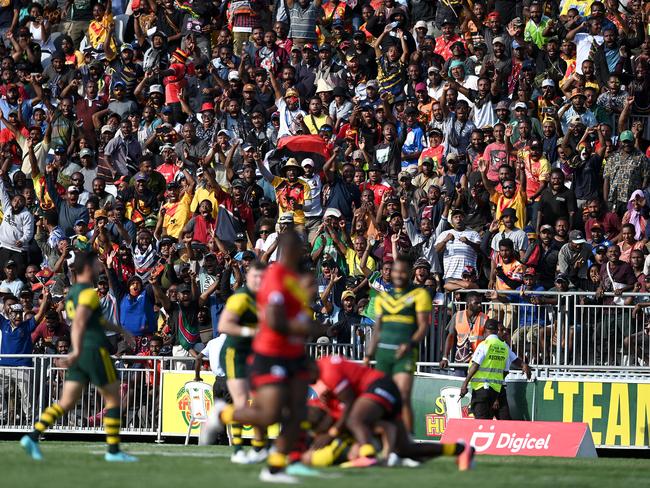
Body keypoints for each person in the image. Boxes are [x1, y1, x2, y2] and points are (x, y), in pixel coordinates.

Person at [207, 232, 321, 483]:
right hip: (258, 353)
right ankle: (226, 423)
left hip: (286, 353)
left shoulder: (294, 281)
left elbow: (299, 317)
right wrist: (309, 328)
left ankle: (275, 462)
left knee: (295, 412)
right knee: (265, 412)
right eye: (294, 249)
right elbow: (273, 322)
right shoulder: (268, 284)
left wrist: (313, 328)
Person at [20, 252, 137, 462]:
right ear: (88, 267)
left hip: (81, 351)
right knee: (113, 398)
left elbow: (92, 320)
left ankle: (32, 436)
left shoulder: (73, 292)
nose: (100, 265)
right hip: (93, 350)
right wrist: (75, 351)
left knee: (66, 402)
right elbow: (81, 322)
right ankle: (113, 451)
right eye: (96, 263)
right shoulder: (88, 293)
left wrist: (121, 330)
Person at [316, 355, 475, 470]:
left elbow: (349, 401)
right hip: (384, 391)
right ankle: (460, 449)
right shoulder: (324, 370)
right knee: (404, 449)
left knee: (355, 419)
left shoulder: (328, 372)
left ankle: (367, 456)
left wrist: (333, 432)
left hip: (379, 386)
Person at [364, 255, 431, 432]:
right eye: (396, 271)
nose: (399, 275)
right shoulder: (381, 298)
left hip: (405, 354)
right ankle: (386, 442)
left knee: (402, 396)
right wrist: (368, 355)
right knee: (380, 398)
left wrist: (409, 344)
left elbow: (423, 326)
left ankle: (408, 442)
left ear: (409, 273)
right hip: (383, 355)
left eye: (403, 271)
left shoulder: (419, 294)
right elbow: (377, 330)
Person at [216, 262, 268, 464]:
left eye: (262, 277)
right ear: (247, 277)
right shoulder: (241, 297)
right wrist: (251, 332)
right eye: (255, 276)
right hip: (233, 353)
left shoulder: (263, 299)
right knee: (241, 401)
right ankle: (237, 450)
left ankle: (258, 448)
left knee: (259, 401)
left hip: (251, 355)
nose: (259, 281)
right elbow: (223, 325)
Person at [460, 319, 530, 419]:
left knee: (482, 422)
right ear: (496, 330)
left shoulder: (485, 345)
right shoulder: (504, 346)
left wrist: (465, 384)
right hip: (496, 390)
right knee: (503, 421)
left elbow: (475, 365)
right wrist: (524, 365)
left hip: (481, 389)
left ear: (485, 330)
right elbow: (511, 365)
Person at [441, 292, 488, 371]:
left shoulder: (485, 318)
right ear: (468, 304)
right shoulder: (457, 315)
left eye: (480, 303)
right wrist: (445, 357)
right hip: (461, 359)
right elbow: (450, 336)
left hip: (478, 360)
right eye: (476, 303)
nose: (480, 305)